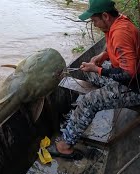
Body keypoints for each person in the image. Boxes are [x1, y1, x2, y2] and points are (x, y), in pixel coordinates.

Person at [55, 0, 140, 158]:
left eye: (94, 21)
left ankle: (65, 145)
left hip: (135, 87)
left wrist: (99, 69)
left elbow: (129, 74)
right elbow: (113, 47)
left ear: (105, 16)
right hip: (129, 79)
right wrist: (102, 56)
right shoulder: (118, 21)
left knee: (89, 101)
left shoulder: (121, 32)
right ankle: (92, 106)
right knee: (88, 71)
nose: (94, 25)